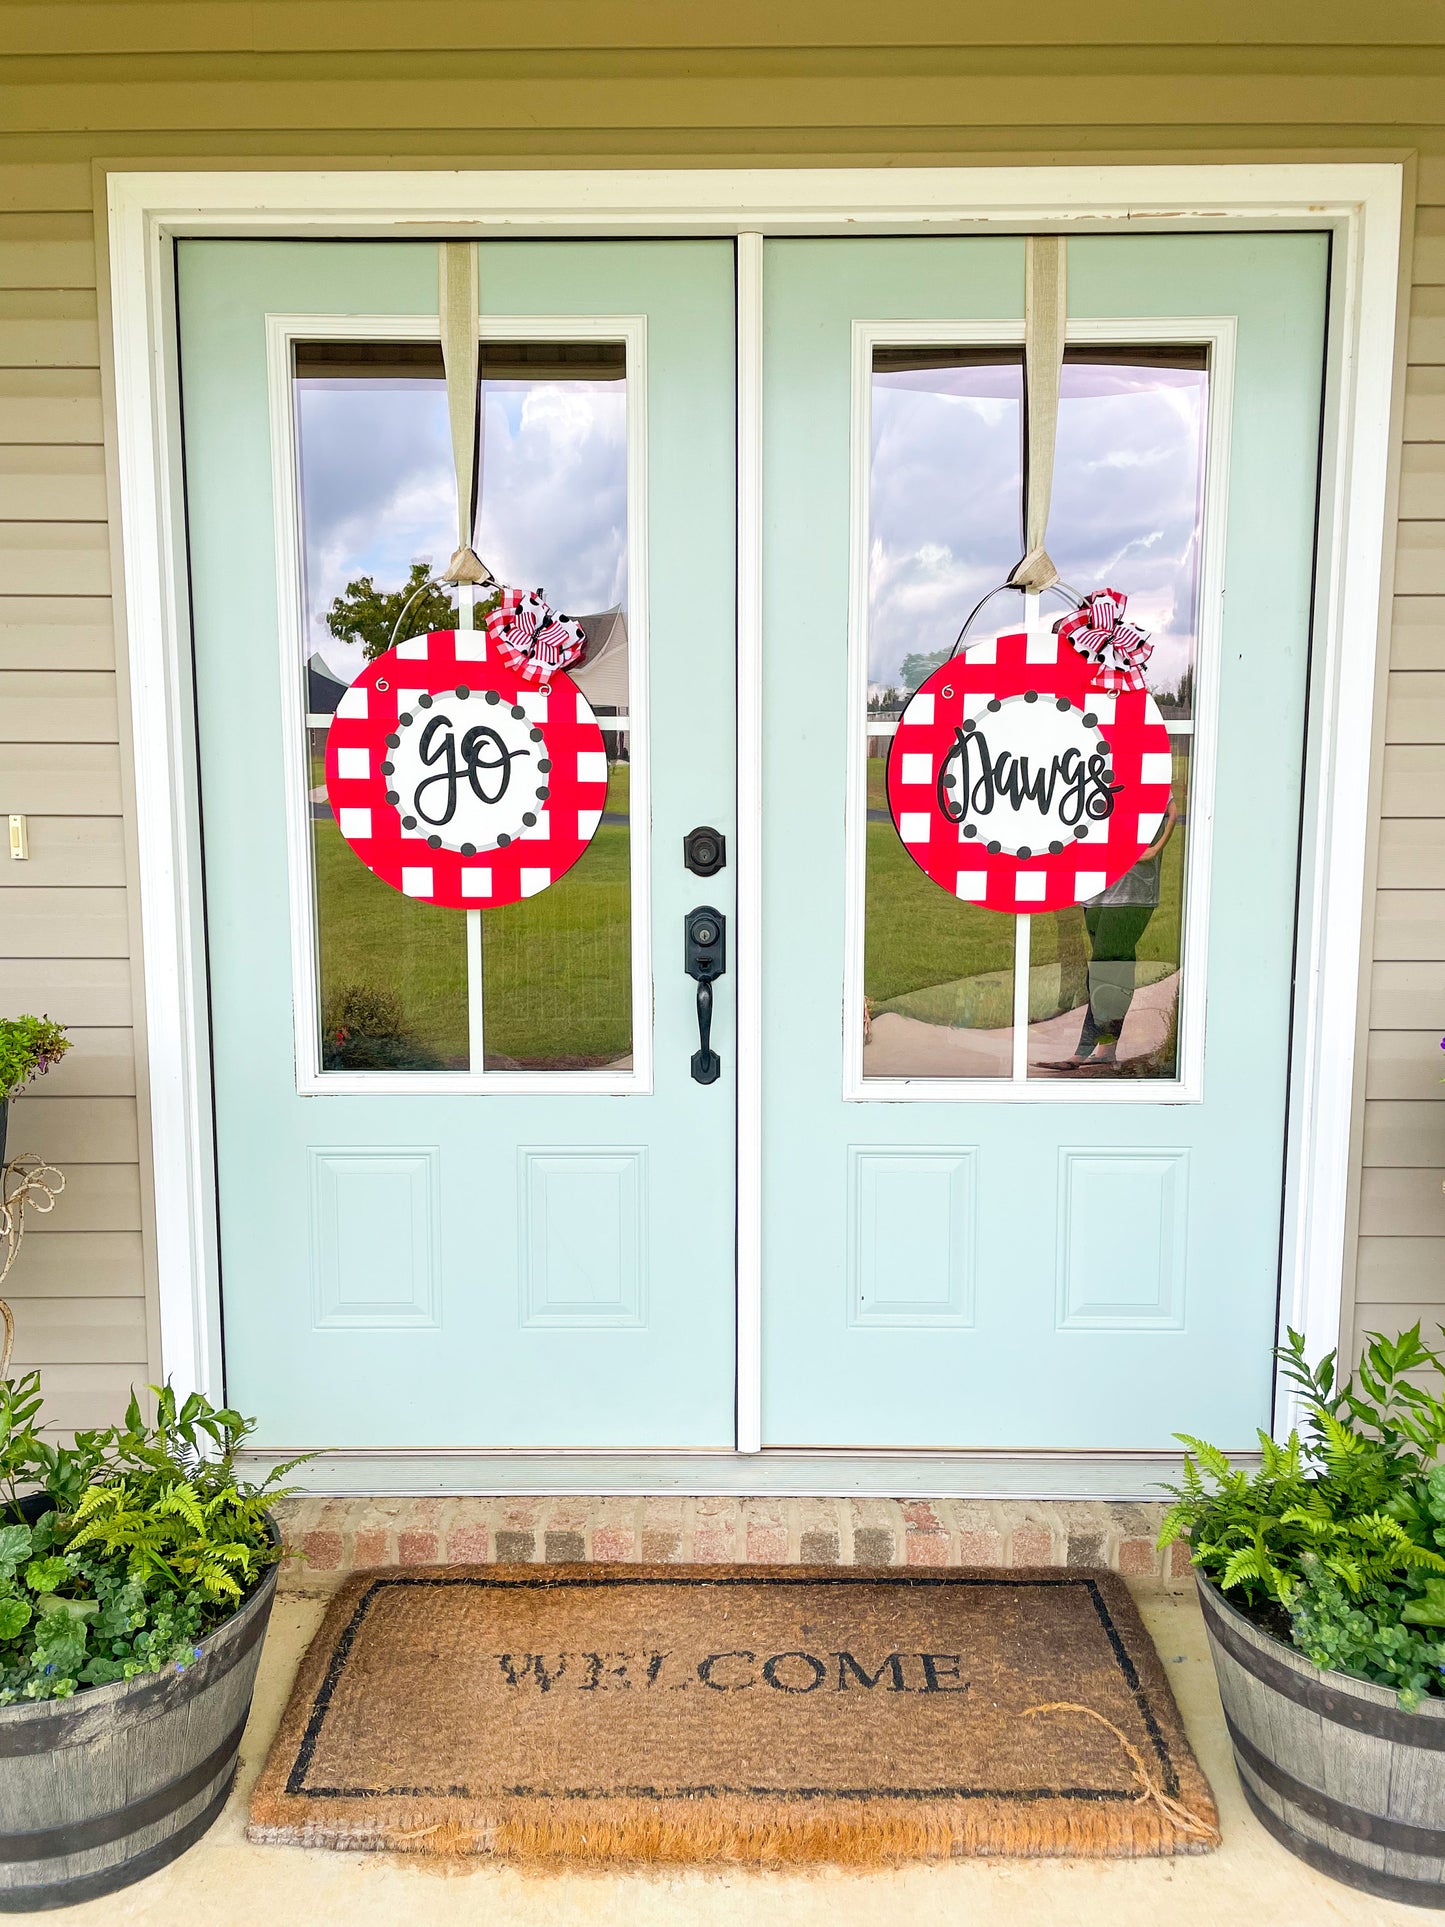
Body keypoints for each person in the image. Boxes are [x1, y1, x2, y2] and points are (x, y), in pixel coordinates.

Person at [1041, 796, 1179, 1073]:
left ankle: (1081, 1052)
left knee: (1104, 969)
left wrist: (1155, 849)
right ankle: (1106, 1049)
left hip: (1132, 891)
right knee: (1114, 969)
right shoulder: (1093, 773)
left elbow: (1172, 808)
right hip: (1096, 889)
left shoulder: (1142, 772)